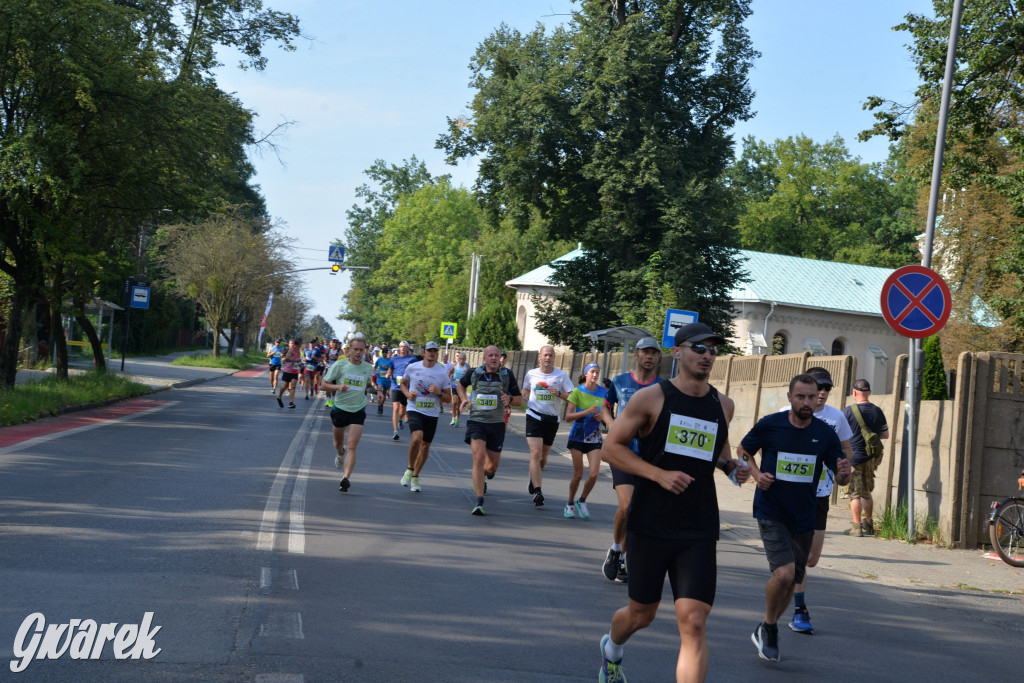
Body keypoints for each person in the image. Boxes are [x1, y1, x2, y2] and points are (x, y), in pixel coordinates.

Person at [598, 322, 742, 683]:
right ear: (677, 353)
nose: (707, 355)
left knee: (694, 621)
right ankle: (611, 648)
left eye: (712, 349)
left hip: (698, 524)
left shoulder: (723, 404)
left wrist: (730, 467)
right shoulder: (652, 398)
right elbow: (610, 449)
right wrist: (658, 474)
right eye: (699, 348)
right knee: (641, 614)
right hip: (650, 522)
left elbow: (717, 450)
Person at [738, 373, 851, 663]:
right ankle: (769, 624)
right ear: (789, 398)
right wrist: (755, 474)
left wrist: (844, 473)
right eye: (801, 396)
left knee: (793, 580)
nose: (807, 402)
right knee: (785, 573)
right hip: (772, 509)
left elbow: (839, 476)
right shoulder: (771, 424)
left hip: (804, 513)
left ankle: (768, 626)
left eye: (812, 397)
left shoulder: (825, 433)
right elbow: (743, 450)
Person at [780, 366, 853, 635]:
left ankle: (788, 569)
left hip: (819, 493)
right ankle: (800, 609)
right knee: (795, 560)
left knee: (810, 558)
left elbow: (847, 448)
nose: (822, 393)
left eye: (826, 389)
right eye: (817, 388)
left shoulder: (836, 418)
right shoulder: (782, 415)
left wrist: (845, 465)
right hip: (786, 493)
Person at [602, 337, 663, 583]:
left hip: (650, 458)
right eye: (645, 352)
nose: (649, 356)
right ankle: (616, 549)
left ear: (658, 358)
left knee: (637, 510)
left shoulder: (663, 388)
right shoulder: (619, 382)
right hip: (623, 452)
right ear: (635, 355)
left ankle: (626, 556)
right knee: (627, 507)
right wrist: (612, 424)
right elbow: (605, 407)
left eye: (654, 353)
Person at [456, 345, 522, 515]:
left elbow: (520, 400)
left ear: (500, 358)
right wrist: (464, 399)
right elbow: (460, 385)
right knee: (478, 457)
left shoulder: (507, 375)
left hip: (497, 423)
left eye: (496, 355)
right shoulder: (474, 373)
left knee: (491, 467)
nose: (494, 358)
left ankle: (483, 476)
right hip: (476, 421)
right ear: (484, 357)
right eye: (490, 355)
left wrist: (510, 398)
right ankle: (479, 500)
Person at [520, 345, 574, 506]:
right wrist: (523, 394)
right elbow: (525, 388)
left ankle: (534, 476)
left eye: (550, 355)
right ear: (539, 357)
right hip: (534, 416)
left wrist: (557, 393)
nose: (548, 358)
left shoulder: (561, 376)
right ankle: (538, 491)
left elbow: (572, 396)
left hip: (552, 420)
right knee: (535, 453)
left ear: (553, 358)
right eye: (545, 355)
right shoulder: (531, 374)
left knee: (543, 457)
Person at [321, 336, 374, 493]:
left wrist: (375, 392)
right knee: (339, 444)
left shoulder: (367, 367)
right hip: (340, 409)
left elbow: (368, 385)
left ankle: (346, 478)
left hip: (358, 410)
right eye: (355, 349)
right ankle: (339, 454)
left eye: (361, 350)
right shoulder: (340, 365)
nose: (358, 353)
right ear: (349, 350)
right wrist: (338, 387)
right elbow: (323, 385)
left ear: (365, 351)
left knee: (352, 445)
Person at [398, 341, 453, 493]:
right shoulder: (413, 367)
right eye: (429, 351)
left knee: (425, 446)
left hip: (432, 413)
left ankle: (415, 477)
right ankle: (410, 468)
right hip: (415, 408)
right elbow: (403, 383)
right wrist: (407, 394)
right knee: (417, 438)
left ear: (437, 354)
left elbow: (449, 398)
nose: (431, 353)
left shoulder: (441, 373)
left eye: (434, 351)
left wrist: (438, 393)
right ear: (423, 352)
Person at [563, 363, 611, 520]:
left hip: (594, 436)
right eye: (592, 372)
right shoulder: (577, 391)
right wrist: (588, 412)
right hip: (578, 435)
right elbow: (568, 417)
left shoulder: (604, 392)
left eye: (597, 372)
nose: (595, 375)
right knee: (578, 474)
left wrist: (602, 417)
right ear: (585, 374)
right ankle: (570, 503)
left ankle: (581, 500)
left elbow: (608, 417)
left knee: (594, 473)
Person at [842, 378, 889, 536]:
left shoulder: (848, 411)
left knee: (855, 493)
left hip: (853, 458)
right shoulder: (877, 411)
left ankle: (856, 527)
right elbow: (885, 434)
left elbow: (840, 435)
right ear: (869, 393)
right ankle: (868, 524)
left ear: (854, 392)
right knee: (867, 492)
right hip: (870, 458)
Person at [389, 341, 418, 440]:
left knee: (402, 410)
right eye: (401, 346)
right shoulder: (394, 359)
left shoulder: (412, 359)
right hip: (395, 386)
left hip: (406, 387)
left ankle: (400, 419)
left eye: (404, 347)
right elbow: (391, 369)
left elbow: (416, 371)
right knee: (396, 408)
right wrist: (388, 374)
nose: (402, 348)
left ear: (407, 349)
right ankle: (395, 431)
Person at [276, 338, 302, 409]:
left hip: (295, 371)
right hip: (288, 371)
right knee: (285, 386)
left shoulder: (298, 351)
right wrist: (295, 360)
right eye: (301, 343)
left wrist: (299, 364)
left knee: (293, 386)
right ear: (299, 344)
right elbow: (286, 358)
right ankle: (279, 397)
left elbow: (297, 360)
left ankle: (291, 403)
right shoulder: (291, 350)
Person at [449, 352, 469, 426]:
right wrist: (450, 377)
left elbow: (470, 377)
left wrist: (466, 374)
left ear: (465, 359)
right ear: (458, 358)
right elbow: (449, 373)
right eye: (461, 358)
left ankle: (457, 417)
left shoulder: (467, 366)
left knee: (460, 403)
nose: (462, 360)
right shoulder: (455, 365)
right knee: (454, 402)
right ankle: (453, 418)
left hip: (462, 387)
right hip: (454, 385)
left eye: (464, 359)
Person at [373, 347, 393, 415]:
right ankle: (379, 406)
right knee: (380, 392)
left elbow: (392, 369)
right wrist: (375, 372)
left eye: (385, 352)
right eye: (383, 352)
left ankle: (381, 405)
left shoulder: (390, 360)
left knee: (384, 393)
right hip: (380, 378)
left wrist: (387, 368)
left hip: (387, 379)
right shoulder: (379, 360)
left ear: (387, 353)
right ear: (382, 353)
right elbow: (375, 367)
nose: (384, 353)